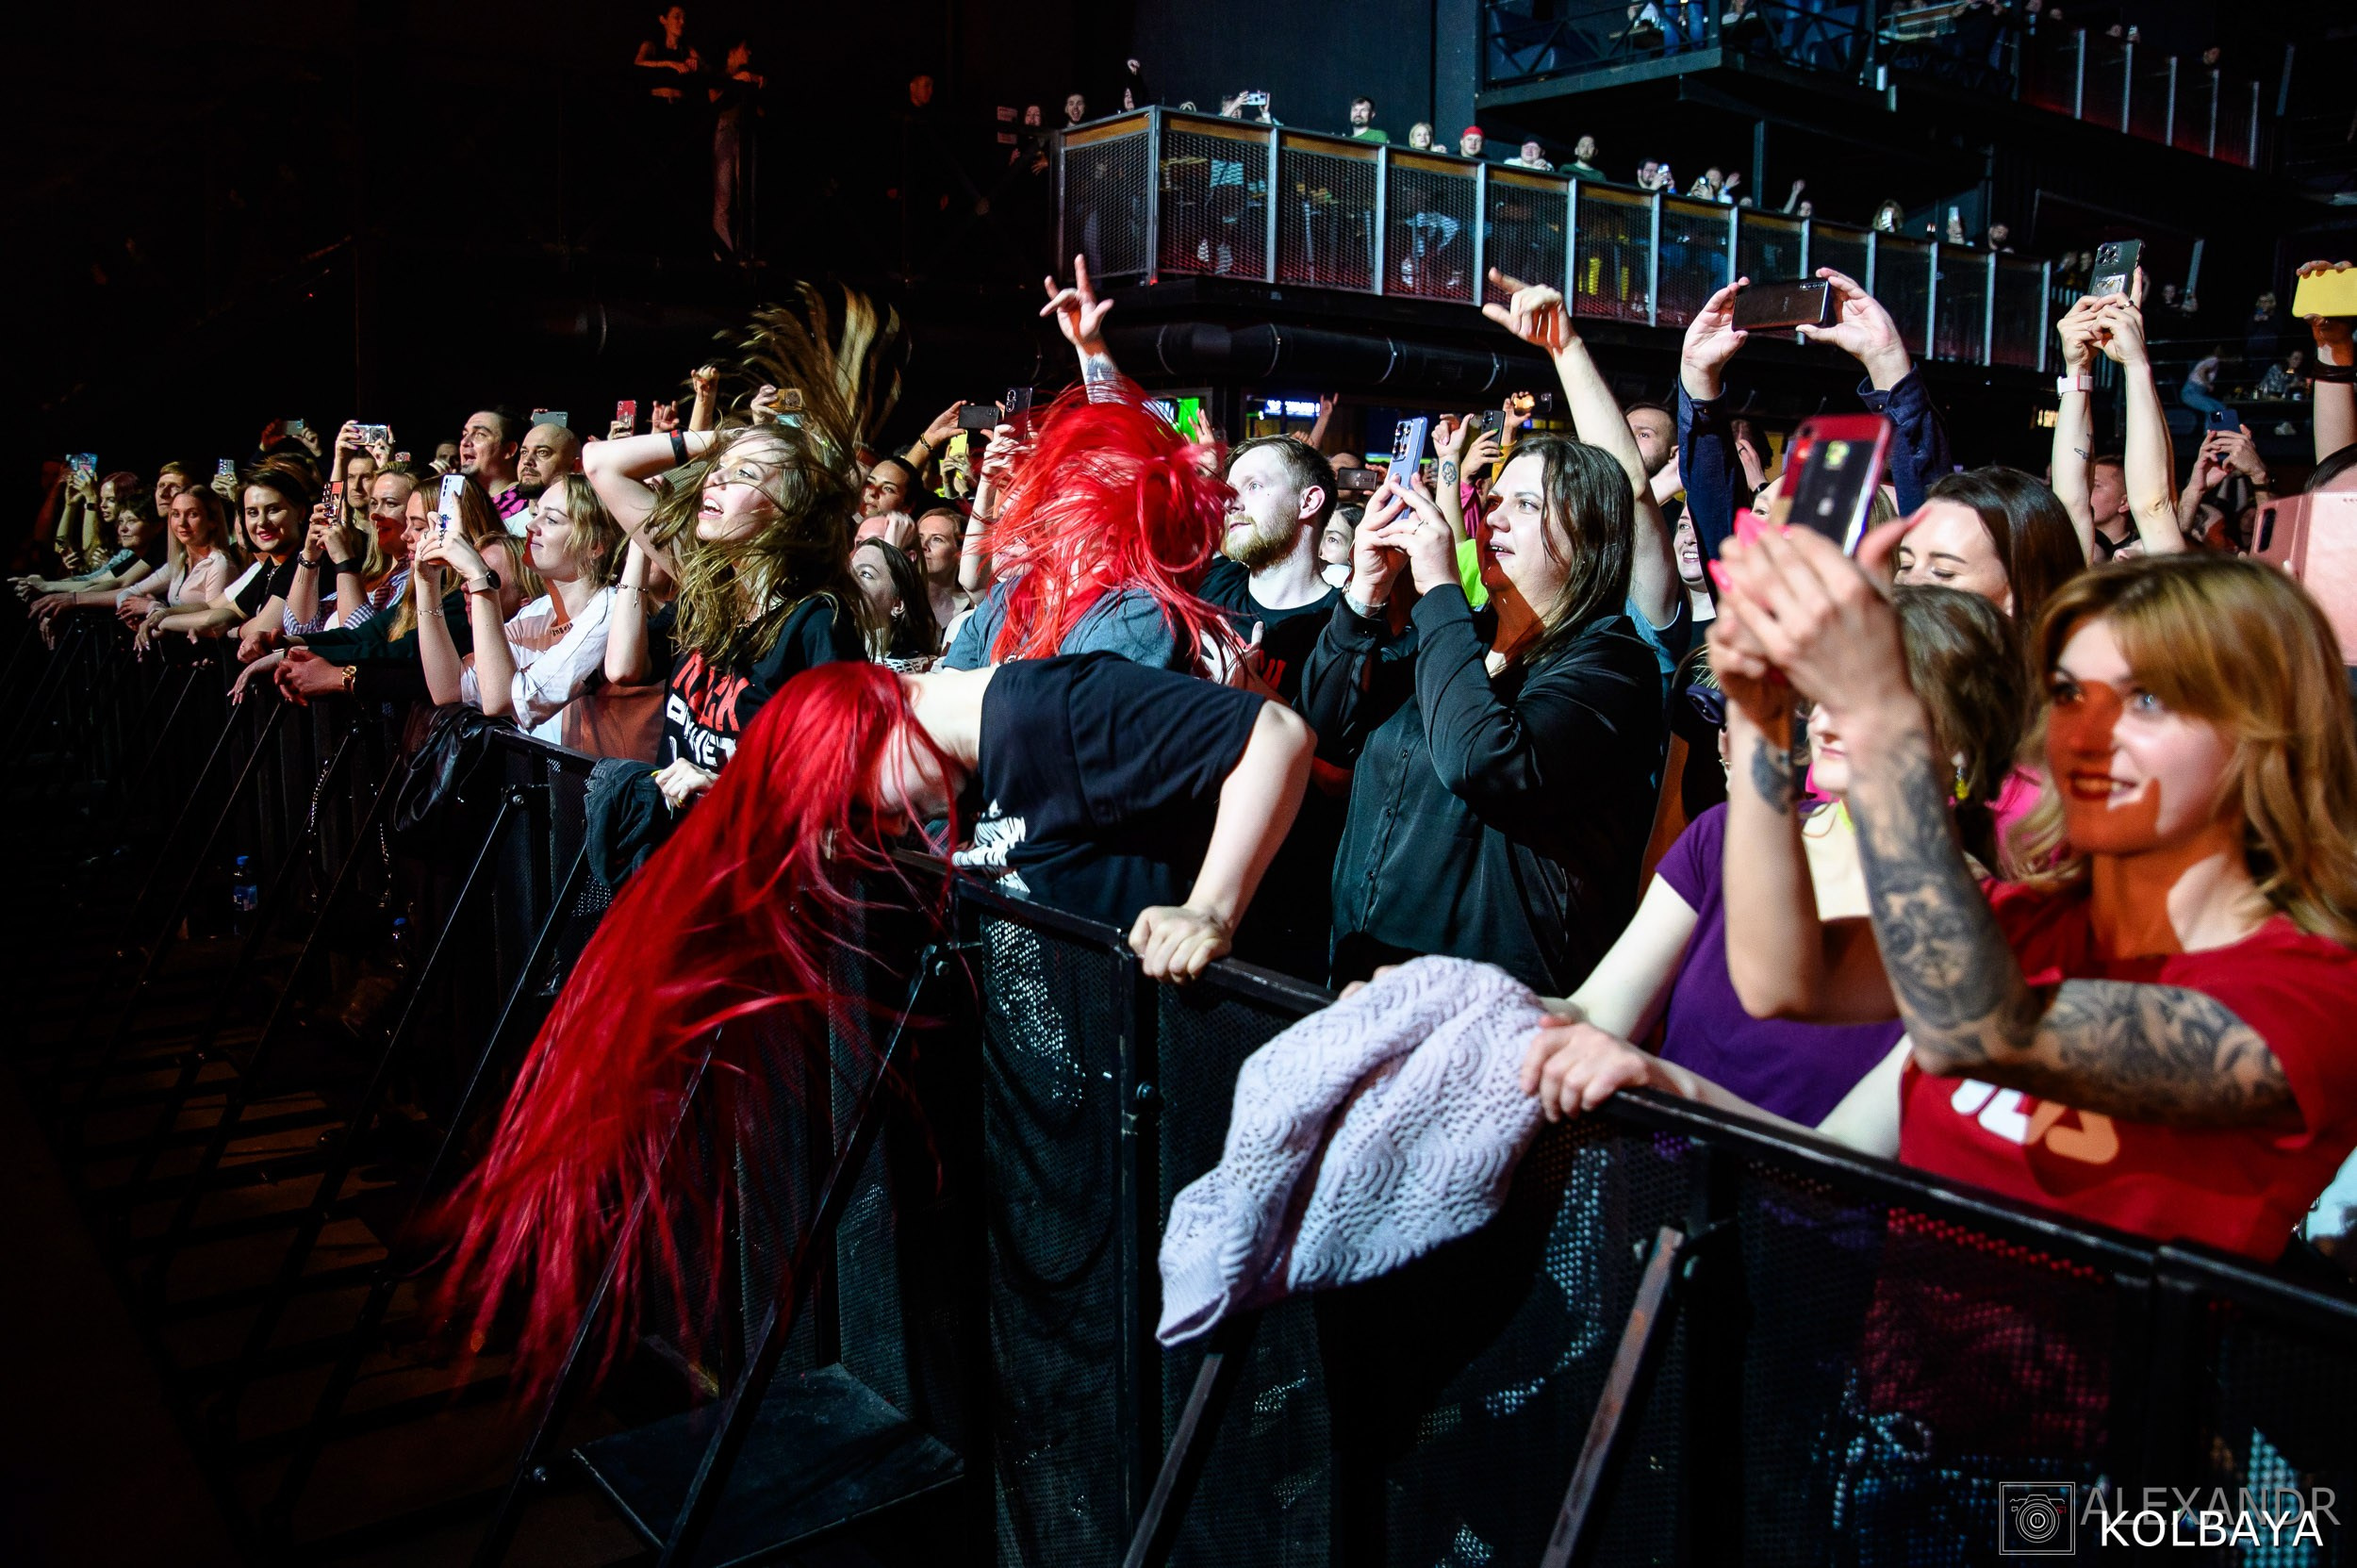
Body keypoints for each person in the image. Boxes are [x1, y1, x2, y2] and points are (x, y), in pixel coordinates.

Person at [436, 652, 1312, 1399]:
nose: (893, 828)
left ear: (886, 725)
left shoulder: (1051, 712)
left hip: (1199, 1078)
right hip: (1106, 1087)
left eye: (878, 810)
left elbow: (1275, 736)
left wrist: (1210, 908)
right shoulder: (934, 757)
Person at [1522, 585, 2027, 1132]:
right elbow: (1599, 1011)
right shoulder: (1724, 840)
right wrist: (1480, 999)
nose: (1828, 722)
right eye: (1826, 692)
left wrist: (1670, 1085)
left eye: (1864, 699)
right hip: (1646, 1194)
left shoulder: (1991, 931)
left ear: (1959, 743)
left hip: (1799, 1216)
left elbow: (1852, 1149)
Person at [1305, 352, 1667, 993]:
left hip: (1494, 1010)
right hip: (1365, 978)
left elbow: (1482, 757)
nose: (1493, 517)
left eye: (1524, 505)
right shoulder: (1457, 635)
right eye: (1495, 500)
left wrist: (1440, 585)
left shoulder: (1612, 663)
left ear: (1589, 536)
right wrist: (1361, 597)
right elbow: (1325, 727)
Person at [414, 473, 662, 762]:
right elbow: (451, 688)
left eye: (551, 520)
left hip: (619, 799)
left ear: (596, 545)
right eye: (535, 514)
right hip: (570, 792)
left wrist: (480, 578)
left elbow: (506, 702)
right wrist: (426, 583)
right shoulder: (538, 612)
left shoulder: (609, 611)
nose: (531, 525)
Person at [2050, 286, 2185, 562]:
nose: (2122, 554)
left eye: (2141, 551)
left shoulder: (2170, 599)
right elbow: (2072, 504)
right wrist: (2077, 368)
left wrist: (2135, 364)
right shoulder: (2079, 599)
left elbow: (2154, 507)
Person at [850, 536, 939, 671]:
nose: (849, 580)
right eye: (849, 572)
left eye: (866, 574)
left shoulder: (922, 670)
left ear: (897, 604)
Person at [459, 408, 528, 525]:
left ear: (509, 450)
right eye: (465, 434)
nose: (465, 442)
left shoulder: (530, 511)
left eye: (480, 434)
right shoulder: (459, 502)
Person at [515, 421, 582, 508]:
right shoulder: (503, 521)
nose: (527, 460)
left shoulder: (593, 520)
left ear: (575, 466)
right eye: (524, 452)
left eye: (542, 452)